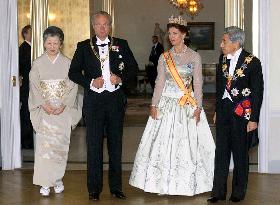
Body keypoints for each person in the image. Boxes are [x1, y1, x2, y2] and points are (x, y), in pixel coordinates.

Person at [129, 15, 215, 196]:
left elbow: (197, 84)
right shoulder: (164, 56)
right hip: (166, 104)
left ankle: (187, 183)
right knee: (163, 144)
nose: (171, 37)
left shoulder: (194, 56)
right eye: (169, 34)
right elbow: (159, 82)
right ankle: (163, 184)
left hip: (187, 104)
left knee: (187, 145)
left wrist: (198, 107)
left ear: (184, 34)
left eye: (175, 33)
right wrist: (153, 104)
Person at [68, 11, 138, 201]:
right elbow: (73, 72)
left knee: (116, 145)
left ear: (110, 25)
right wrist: (90, 82)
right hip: (94, 103)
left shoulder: (121, 44)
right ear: (93, 26)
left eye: (105, 24)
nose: (102, 27)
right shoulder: (83, 46)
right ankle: (94, 189)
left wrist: (120, 79)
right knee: (93, 145)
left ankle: (116, 188)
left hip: (115, 101)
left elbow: (133, 68)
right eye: (98, 24)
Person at [207, 26, 264, 203]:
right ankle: (218, 192)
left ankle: (238, 192)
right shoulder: (222, 59)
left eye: (224, 41)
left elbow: (257, 91)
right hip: (224, 111)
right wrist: (216, 110)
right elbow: (219, 87)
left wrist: (254, 119)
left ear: (236, 42)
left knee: (240, 154)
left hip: (242, 114)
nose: (221, 44)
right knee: (221, 153)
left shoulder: (253, 62)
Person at [29, 26, 81, 196]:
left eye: (55, 43)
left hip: (62, 111)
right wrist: (43, 104)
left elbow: (73, 85)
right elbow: (34, 87)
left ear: (61, 44)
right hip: (45, 111)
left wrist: (64, 104)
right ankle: (45, 182)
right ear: (44, 43)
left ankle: (57, 179)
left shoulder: (68, 63)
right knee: (45, 148)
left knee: (60, 147)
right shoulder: (37, 63)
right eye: (49, 43)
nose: (52, 46)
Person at [19, 25, 34, 149]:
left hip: (32, 85)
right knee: (26, 113)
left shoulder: (32, 48)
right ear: (25, 34)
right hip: (27, 86)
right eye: (31, 32)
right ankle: (26, 141)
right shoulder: (24, 49)